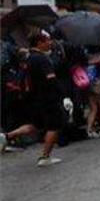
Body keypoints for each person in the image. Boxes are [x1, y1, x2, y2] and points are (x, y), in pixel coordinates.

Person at [0, 30, 67, 166]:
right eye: (47, 41)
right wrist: (63, 96)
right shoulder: (42, 59)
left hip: (33, 99)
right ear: (39, 43)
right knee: (54, 126)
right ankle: (45, 156)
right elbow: (51, 80)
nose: (49, 43)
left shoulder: (29, 58)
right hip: (48, 99)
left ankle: (6, 136)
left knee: (35, 125)